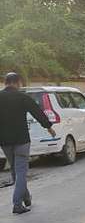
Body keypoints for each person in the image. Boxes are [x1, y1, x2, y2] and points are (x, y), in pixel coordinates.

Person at [0, 72, 57, 215]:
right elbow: (37, 112)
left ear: (5, 82)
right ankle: (17, 204)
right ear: (17, 82)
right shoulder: (23, 97)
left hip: (4, 141)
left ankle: (26, 198)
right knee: (20, 172)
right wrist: (49, 127)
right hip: (21, 140)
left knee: (15, 171)